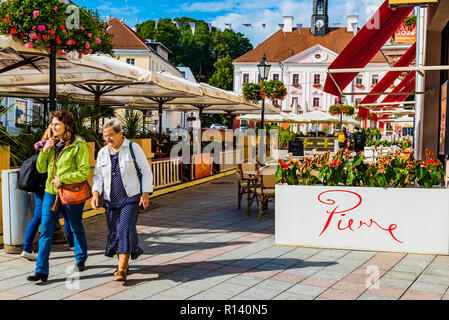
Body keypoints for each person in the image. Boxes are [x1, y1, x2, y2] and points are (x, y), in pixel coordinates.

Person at [27, 110, 91, 283]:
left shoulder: (78, 144)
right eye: (52, 124)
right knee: (45, 230)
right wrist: (45, 151)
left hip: (71, 192)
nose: (53, 127)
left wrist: (63, 179)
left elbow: (84, 172)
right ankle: (41, 270)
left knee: (75, 226)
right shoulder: (51, 144)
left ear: (66, 126)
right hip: (51, 192)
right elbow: (41, 169)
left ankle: (81, 257)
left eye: (57, 124)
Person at [91, 118, 153, 282]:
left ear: (120, 133)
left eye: (110, 135)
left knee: (124, 227)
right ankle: (123, 261)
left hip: (131, 196)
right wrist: (96, 193)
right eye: (105, 136)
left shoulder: (133, 148)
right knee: (114, 231)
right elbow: (98, 175)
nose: (107, 139)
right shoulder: (103, 152)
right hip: (111, 199)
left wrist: (145, 193)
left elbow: (145, 171)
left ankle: (121, 268)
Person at [21, 127, 75, 261]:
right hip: (52, 187)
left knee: (38, 217)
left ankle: (27, 248)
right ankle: (73, 244)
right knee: (67, 214)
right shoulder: (56, 146)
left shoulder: (39, 145)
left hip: (40, 187)